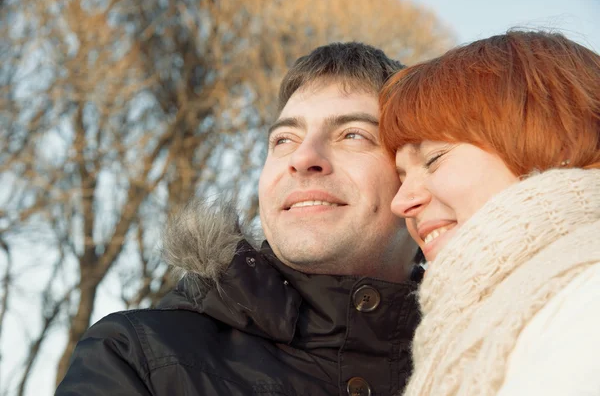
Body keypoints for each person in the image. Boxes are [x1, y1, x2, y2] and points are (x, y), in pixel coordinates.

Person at [56, 42, 423, 396]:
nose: (302, 157)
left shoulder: (477, 357)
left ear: (415, 176)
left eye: (353, 134)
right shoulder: (135, 358)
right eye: (284, 139)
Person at [379, 30, 600, 396]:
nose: (400, 203)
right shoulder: (474, 324)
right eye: (401, 178)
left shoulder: (585, 306)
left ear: (553, 139)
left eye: (434, 160)